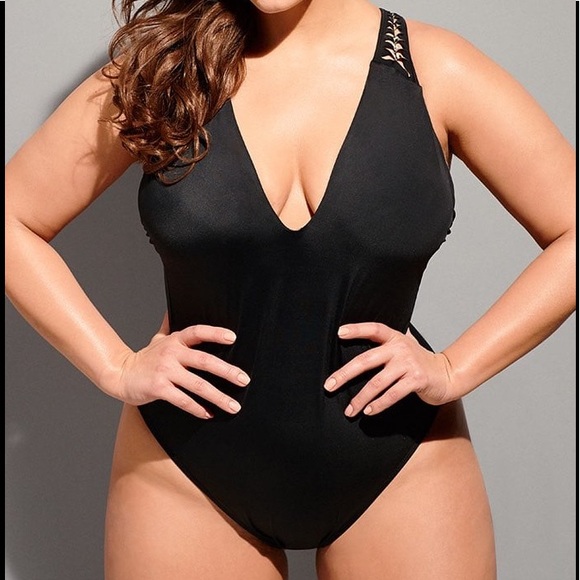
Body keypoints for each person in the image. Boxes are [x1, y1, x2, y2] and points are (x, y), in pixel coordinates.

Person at [5, 0, 575, 578]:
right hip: (186, 466)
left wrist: (453, 368)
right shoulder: (168, 70)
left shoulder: (434, 71)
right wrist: (115, 365)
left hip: (399, 460)